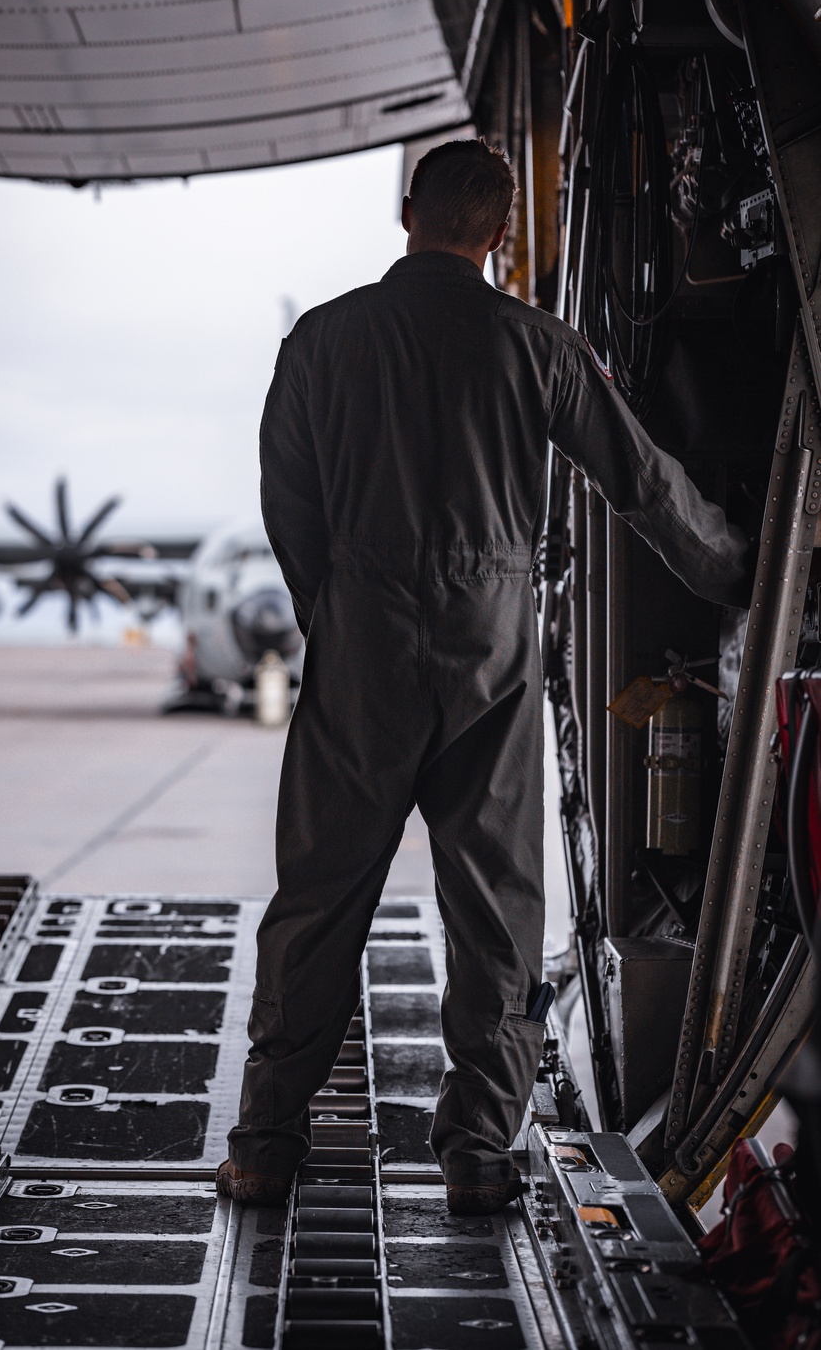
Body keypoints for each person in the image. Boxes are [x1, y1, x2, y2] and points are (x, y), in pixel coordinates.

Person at [216, 138, 753, 1216]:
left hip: (362, 637)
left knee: (318, 900)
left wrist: (338, 613)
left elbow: (288, 503)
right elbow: (640, 481)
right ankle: (473, 1152)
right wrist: (742, 568)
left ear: (405, 209)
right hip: (491, 644)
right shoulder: (537, 344)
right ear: (501, 233)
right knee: (495, 910)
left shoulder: (319, 341)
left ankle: (268, 1144)